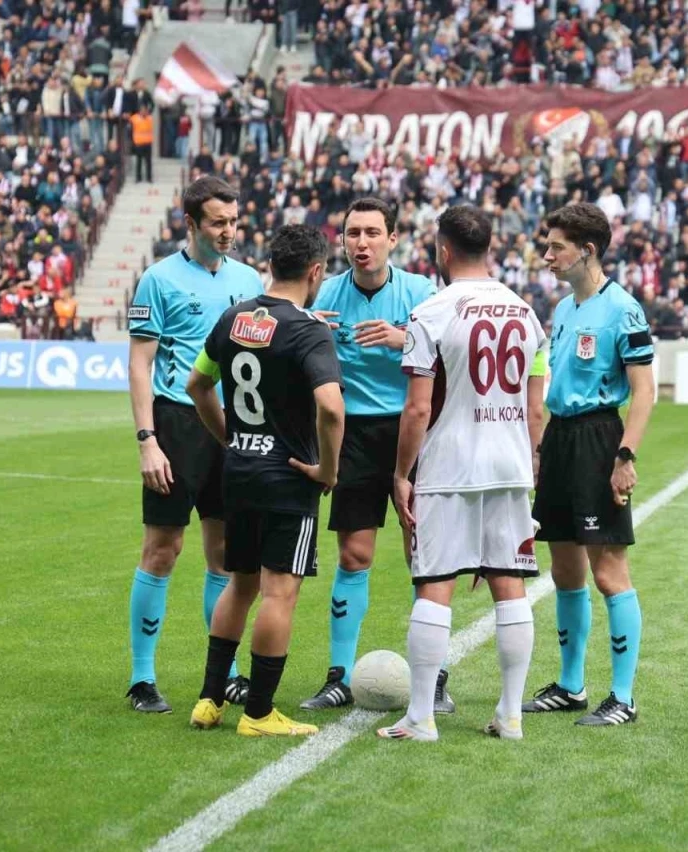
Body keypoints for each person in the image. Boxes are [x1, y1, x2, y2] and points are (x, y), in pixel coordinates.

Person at [377, 204, 546, 743]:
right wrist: (530, 464)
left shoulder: (431, 312)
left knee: (435, 584)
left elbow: (417, 409)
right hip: (510, 466)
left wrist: (401, 473)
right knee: (509, 584)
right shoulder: (526, 312)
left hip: (450, 465)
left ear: (443, 250)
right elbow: (535, 409)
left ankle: (421, 717)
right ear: (489, 248)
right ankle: (511, 715)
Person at [186, 224, 344, 737]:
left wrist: (230, 437)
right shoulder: (309, 329)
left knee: (241, 584)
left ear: (271, 265)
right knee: (279, 593)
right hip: (288, 478)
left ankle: (210, 699)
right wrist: (328, 470)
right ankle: (258, 713)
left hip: (239, 471)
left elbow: (197, 384)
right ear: (316, 272)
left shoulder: (234, 318)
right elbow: (331, 409)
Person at [297, 198, 450, 713]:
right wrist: (307, 330)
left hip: (413, 430)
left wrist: (402, 339)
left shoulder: (420, 293)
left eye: (372, 233)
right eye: (353, 233)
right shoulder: (325, 295)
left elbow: (451, 352)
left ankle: (434, 679)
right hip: (353, 434)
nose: (361, 243)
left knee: (423, 556)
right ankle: (339, 676)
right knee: (353, 555)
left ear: (392, 239)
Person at [123, 176, 264, 714]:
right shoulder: (158, 279)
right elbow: (140, 364)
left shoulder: (248, 279)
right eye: (217, 222)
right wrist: (147, 441)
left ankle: (225, 673)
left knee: (224, 554)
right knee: (163, 548)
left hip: (235, 426)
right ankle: (142, 678)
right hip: (178, 425)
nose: (228, 231)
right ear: (190, 223)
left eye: (233, 221)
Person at [522, 202, 655, 727]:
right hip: (560, 438)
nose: (548, 255)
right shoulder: (562, 310)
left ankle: (622, 697)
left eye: (557, 247)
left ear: (588, 250)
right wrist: (540, 449)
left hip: (600, 439)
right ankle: (571, 686)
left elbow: (644, 392)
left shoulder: (623, 308)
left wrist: (625, 456)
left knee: (608, 572)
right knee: (565, 570)